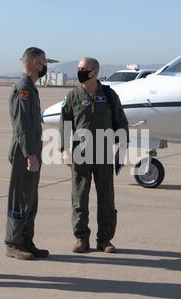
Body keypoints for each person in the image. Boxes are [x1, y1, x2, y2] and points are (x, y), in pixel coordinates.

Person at [60, 57, 129, 254]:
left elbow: (121, 122)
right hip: (80, 153)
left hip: (104, 152)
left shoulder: (109, 94)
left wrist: (121, 148)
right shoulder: (72, 95)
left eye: (84, 68)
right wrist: (64, 149)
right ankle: (81, 238)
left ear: (95, 72)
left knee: (106, 198)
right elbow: (65, 124)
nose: (80, 71)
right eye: (78, 68)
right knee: (79, 198)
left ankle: (104, 239)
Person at [4, 47, 49, 260]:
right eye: (43, 62)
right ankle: (13, 243)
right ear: (33, 63)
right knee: (20, 197)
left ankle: (26, 241)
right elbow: (22, 125)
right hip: (24, 151)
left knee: (31, 198)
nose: (45, 67)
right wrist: (30, 154)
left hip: (31, 150)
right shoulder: (23, 88)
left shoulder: (31, 88)